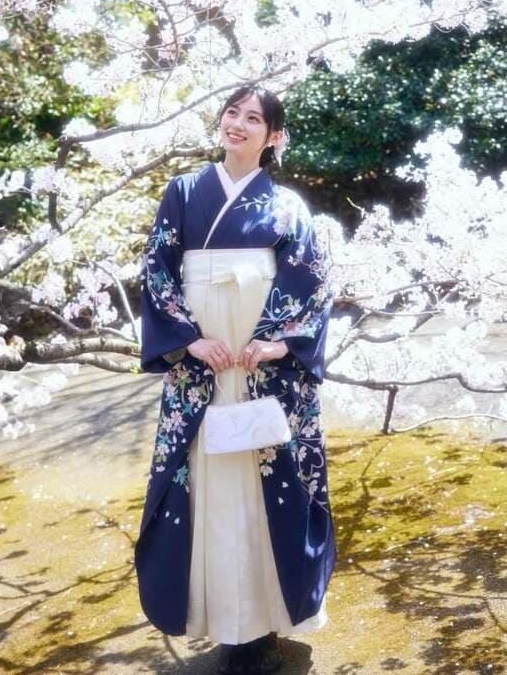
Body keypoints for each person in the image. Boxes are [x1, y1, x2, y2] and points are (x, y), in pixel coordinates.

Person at [134, 85, 336, 675]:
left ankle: (266, 624)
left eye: (254, 118)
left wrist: (278, 342)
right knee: (209, 485)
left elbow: (313, 282)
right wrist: (188, 340)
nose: (238, 124)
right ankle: (224, 622)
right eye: (232, 113)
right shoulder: (183, 192)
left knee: (264, 483)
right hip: (203, 364)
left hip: (260, 366)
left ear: (274, 136)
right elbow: (157, 268)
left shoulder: (288, 207)